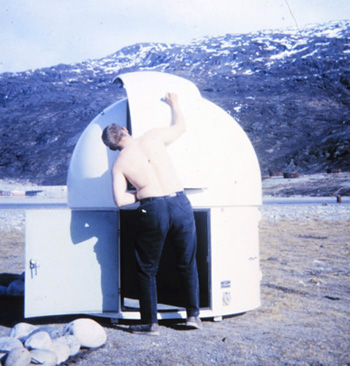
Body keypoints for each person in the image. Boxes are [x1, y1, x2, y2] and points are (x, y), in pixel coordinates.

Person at [101, 92, 202, 335]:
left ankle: (151, 322)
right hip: (178, 201)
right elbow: (180, 127)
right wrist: (174, 104)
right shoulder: (153, 136)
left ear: (114, 147)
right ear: (125, 130)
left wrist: (140, 193)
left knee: (147, 267)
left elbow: (120, 200)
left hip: (152, 207)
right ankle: (193, 316)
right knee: (187, 261)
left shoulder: (120, 163)